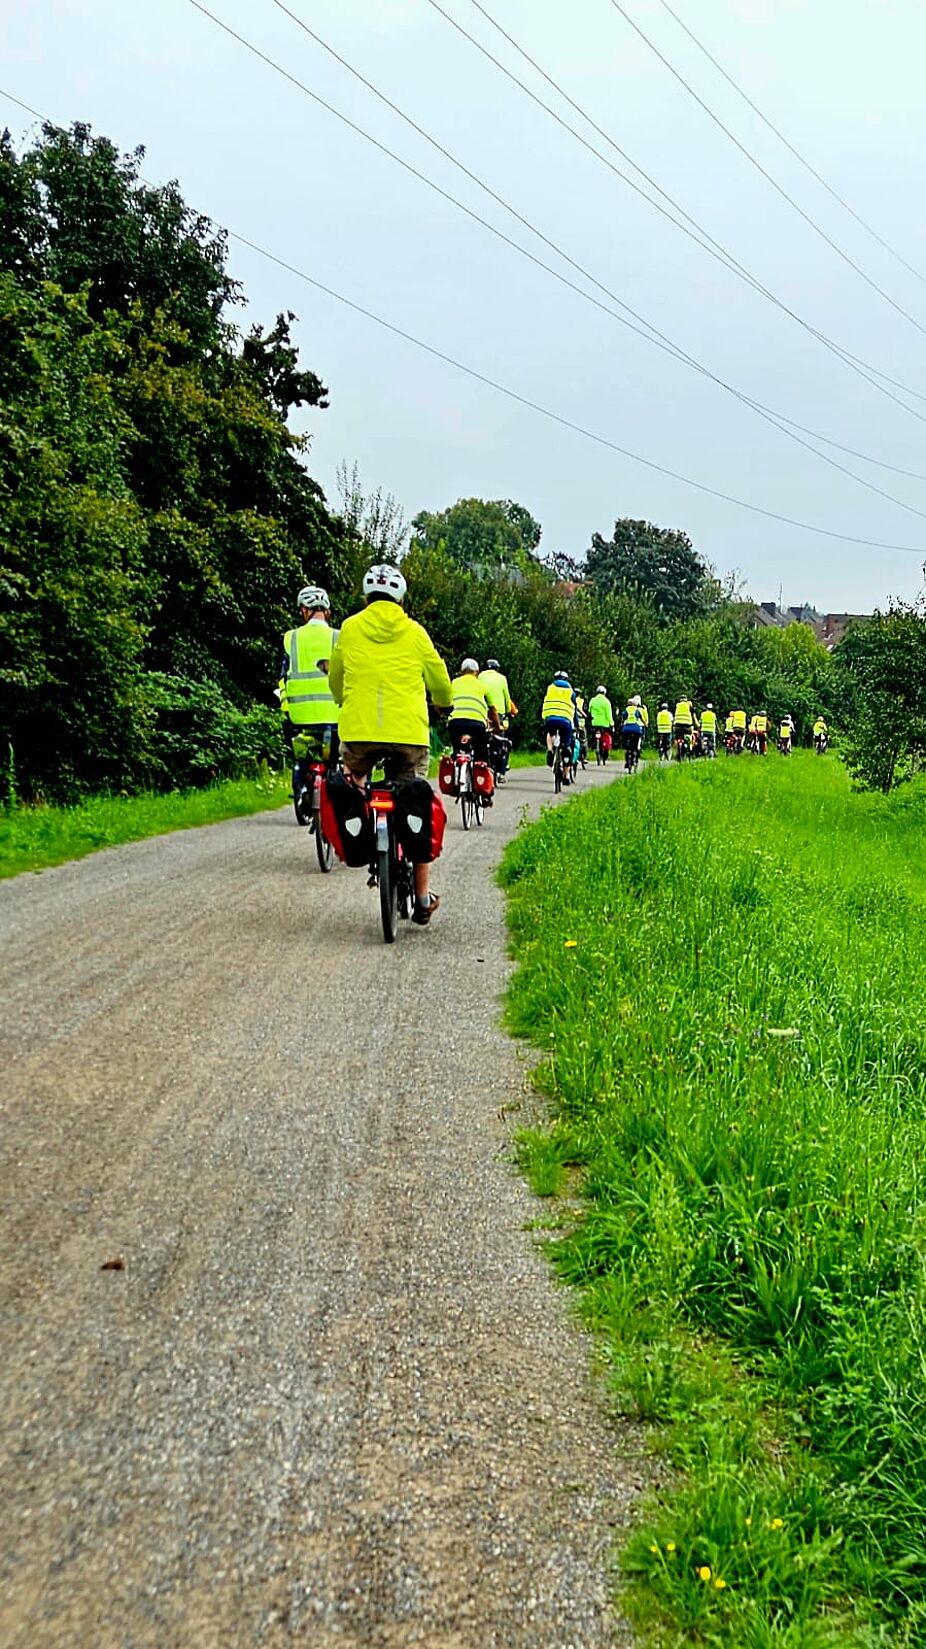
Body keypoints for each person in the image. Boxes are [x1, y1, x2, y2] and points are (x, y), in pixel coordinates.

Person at [329, 563, 452, 926]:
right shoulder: (415, 632)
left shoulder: (350, 628)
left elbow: (336, 679)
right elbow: (440, 680)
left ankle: (364, 837)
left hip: (359, 732)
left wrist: (344, 700)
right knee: (415, 798)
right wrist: (443, 703)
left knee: (354, 782)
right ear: (400, 599)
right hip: (408, 734)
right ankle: (422, 896)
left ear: (367, 597)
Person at [280, 585, 339, 819]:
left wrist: (286, 708)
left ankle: (302, 789)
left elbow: (283, 678)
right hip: (334, 716)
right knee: (335, 760)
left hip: (300, 716)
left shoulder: (291, 638)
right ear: (327, 611)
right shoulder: (338, 637)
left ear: (304, 611)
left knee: (301, 756)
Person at [449, 658, 499, 768]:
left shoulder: (454, 682)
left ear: (461, 671)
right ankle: (480, 768)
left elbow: (447, 701)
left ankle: (455, 766)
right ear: (477, 672)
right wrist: (497, 725)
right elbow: (492, 709)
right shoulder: (482, 685)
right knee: (481, 754)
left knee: (456, 751)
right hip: (477, 724)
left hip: (455, 722)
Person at [480, 657, 518, 780]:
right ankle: (501, 772)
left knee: (481, 739)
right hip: (498, 713)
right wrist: (508, 711)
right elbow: (507, 697)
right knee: (501, 742)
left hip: (482, 711)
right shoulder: (502, 678)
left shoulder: (480, 676)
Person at [542, 671, 577, 781]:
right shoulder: (571, 691)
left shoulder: (550, 688)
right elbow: (574, 709)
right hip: (565, 720)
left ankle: (550, 750)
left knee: (550, 733)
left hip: (550, 717)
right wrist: (575, 724)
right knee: (567, 745)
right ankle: (566, 775)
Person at [588, 684, 614, 754]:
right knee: (605, 736)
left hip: (594, 723)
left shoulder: (592, 700)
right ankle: (604, 749)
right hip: (604, 724)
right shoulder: (606, 701)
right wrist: (612, 724)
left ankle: (593, 746)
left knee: (593, 735)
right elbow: (609, 714)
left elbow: (589, 711)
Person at [621, 695, 646, 766]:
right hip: (636, 729)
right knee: (635, 744)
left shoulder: (626, 710)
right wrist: (645, 724)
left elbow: (623, 719)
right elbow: (641, 718)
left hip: (627, 729)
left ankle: (627, 760)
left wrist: (622, 724)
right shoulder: (637, 710)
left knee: (626, 744)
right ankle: (636, 755)